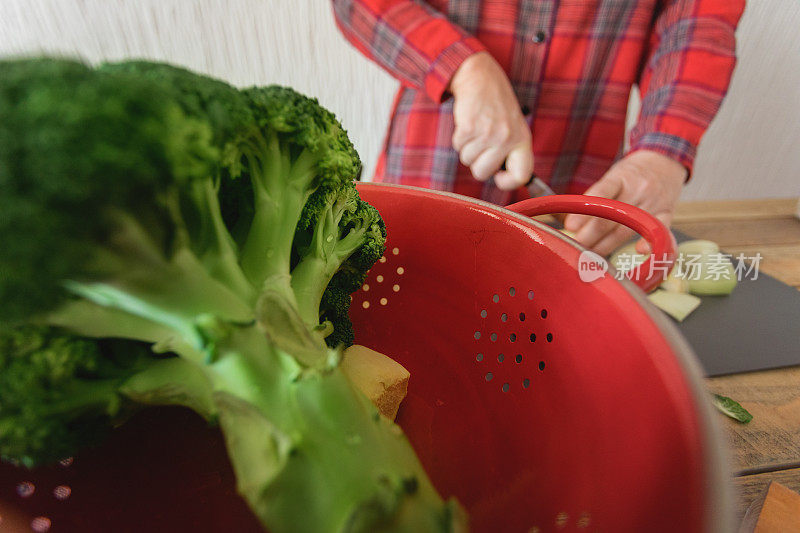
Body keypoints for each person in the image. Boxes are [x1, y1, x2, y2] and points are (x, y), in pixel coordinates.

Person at [331, 0, 745, 256]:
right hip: (429, 165)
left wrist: (663, 149)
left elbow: (697, 17)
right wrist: (462, 66)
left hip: (580, 180)